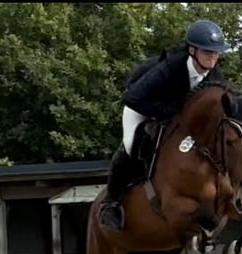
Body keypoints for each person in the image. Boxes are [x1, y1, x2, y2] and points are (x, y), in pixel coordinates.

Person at [99, 19, 231, 231]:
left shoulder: (215, 76)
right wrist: (169, 112)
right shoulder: (171, 67)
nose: (213, 57)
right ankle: (111, 203)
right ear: (192, 50)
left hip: (177, 117)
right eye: (208, 52)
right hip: (144, 107)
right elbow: (133, 98)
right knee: (131, 145)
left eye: (216, 53)